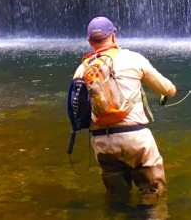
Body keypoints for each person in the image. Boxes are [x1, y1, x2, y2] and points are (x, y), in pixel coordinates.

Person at [74, 16, 176, 197]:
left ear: (89, 41)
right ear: (113, 36)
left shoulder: (82, 69)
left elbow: (79, 110)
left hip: (102, 143)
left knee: (117, 199)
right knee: (154, 195)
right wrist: (169, 92)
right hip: (135, 139)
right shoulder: (133, 59)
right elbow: (168, 89)